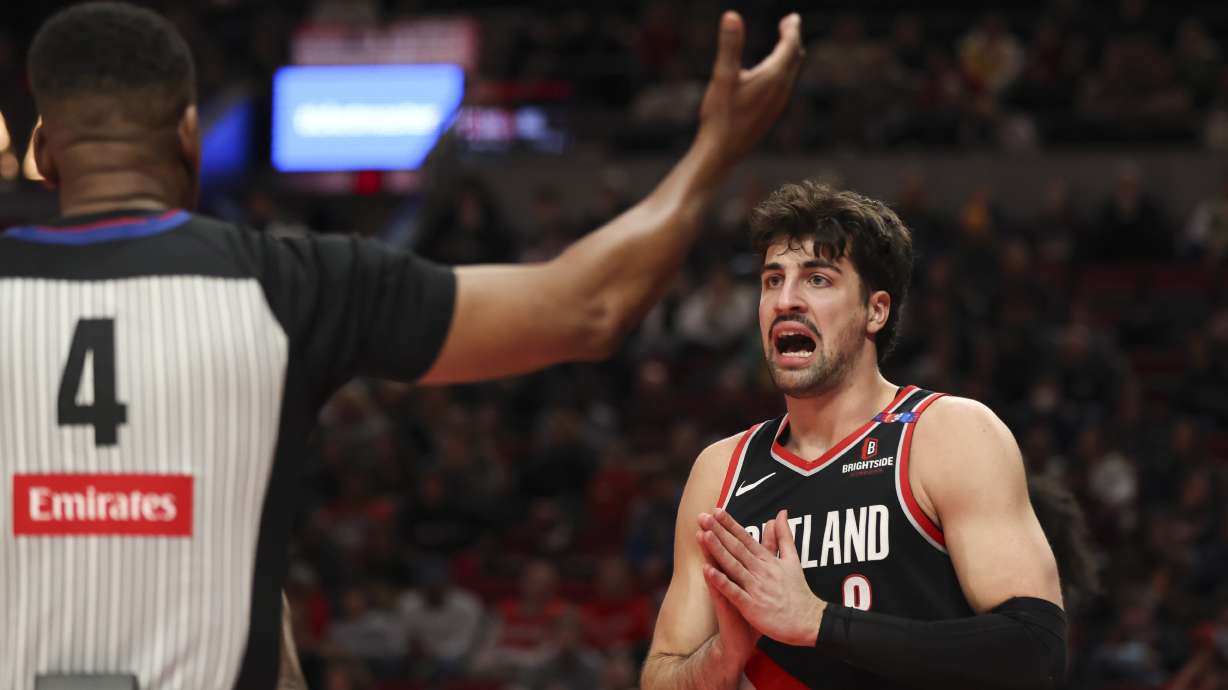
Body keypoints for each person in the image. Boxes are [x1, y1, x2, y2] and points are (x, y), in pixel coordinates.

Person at [0, 3, 803, 689]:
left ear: (41, 150)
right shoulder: (288, 283)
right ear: (189, 137)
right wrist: (714, 150)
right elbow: (589, 307)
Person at [641, 181, 1067, 689]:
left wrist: (819, 622)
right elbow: (662, 675)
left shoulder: (946, 432)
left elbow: (1036, 650)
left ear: (875, 310)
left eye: (817, 279)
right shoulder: (721, 470)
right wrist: (724, 654)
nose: (785, 300)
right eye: (773, 280)